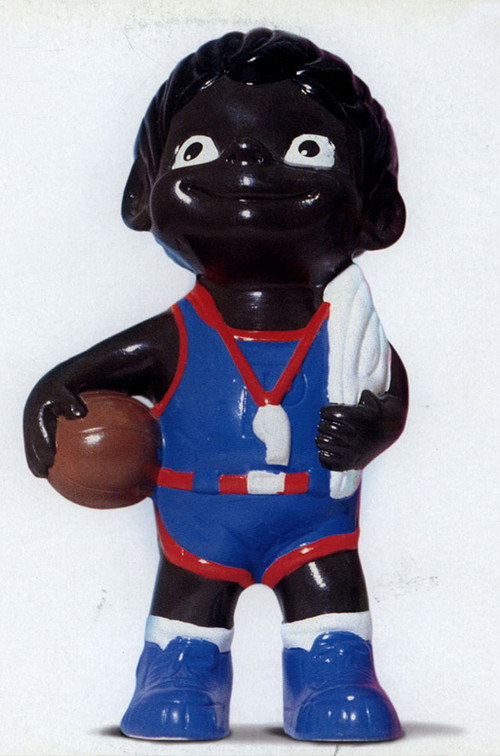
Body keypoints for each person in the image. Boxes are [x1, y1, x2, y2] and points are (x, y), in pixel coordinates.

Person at [24, 28, 408, 741]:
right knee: (189, 610)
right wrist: (49, 400)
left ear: (379, 211)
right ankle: (177, 674)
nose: (246, 160)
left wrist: (370, 428)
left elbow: (388, 401)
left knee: (330, 611)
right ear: (142, 196)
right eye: (198, 150)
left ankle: (334, 674)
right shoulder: (177, 335)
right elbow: (75, 379)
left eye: (308, 150)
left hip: (315, 524)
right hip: (199, 526)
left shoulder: (353, 336)